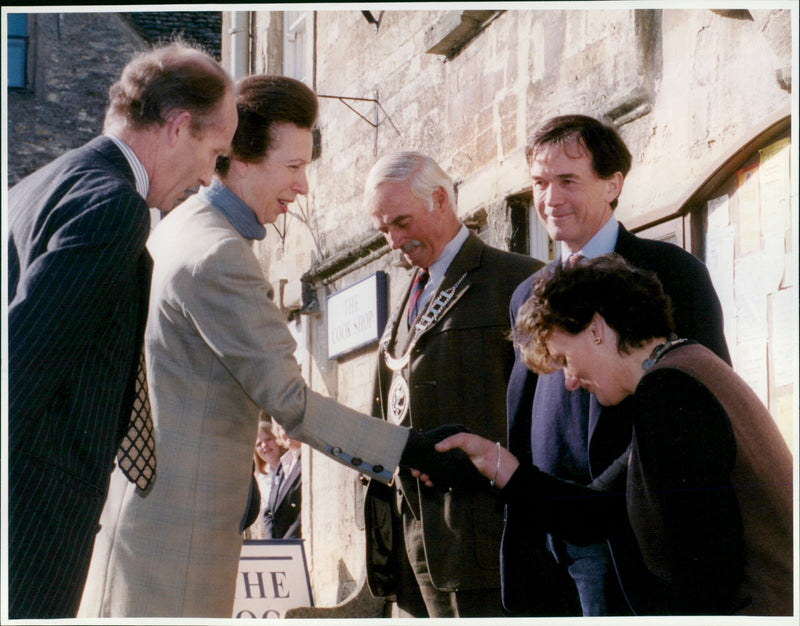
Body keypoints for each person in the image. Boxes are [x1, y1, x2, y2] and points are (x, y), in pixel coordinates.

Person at [78, 75, 470, 618]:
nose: (303, 187)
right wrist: (411, 451)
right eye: (293, 167)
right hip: (179, 545)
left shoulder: (178, 228)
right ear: (239, 157)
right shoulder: (219, 255)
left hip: (150, 528)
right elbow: (292, 403)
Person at [7, 41, 237, 619]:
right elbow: (21, 362)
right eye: (215, 152)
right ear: (178, 126)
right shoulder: (116, 207)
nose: (211, 177)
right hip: (34, 513)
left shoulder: (32, 188)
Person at [433, 255, 793, 616]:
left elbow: (706, 574)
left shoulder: (667, 391)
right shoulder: (684, 366)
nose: (570, 382)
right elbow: (595, 511)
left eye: (565, 359)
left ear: (596, 329)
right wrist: (493, 462)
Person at [504, 114, 732, 615]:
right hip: (549, 541)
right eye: (540, 183)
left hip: (626, 543)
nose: (550, 198)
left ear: (613, 184)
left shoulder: (673, 273)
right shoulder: (527, 293)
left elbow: (703, 403)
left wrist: (598, 506)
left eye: (568, 180)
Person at [362, 151, 543, 617]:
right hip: (419, 541)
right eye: (384, 230)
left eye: (401, 222)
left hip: (487, 540)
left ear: (441, 199)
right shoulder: (412, 292)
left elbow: (546, 415)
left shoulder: (517, 281)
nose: (394, 240)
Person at [264, 423, 302, 539]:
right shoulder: (281, 465)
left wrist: (287, 544)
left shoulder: (308, 462)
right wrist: (272, 543)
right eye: (281, 428)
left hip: (297, 544)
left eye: (290, 425)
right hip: (280, 548)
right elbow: (269, 512)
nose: (286, 432)